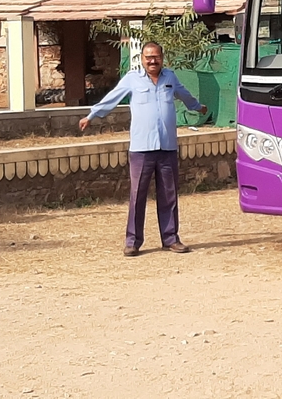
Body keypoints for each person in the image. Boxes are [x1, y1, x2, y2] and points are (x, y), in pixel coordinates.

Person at [79, 41, 207, 257]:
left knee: (169, 195)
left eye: (156, 56)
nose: (152, 61)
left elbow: (184, 94)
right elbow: (113, 98)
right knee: (137, 196)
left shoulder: (170, 78)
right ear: (142, 59)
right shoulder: (132, 79)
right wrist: (92, 115)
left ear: (162, 57)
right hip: (141, 148)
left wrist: (197, 107)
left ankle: (171, 239)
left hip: (167, 147)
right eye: (148, 57)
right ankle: (133, 242)